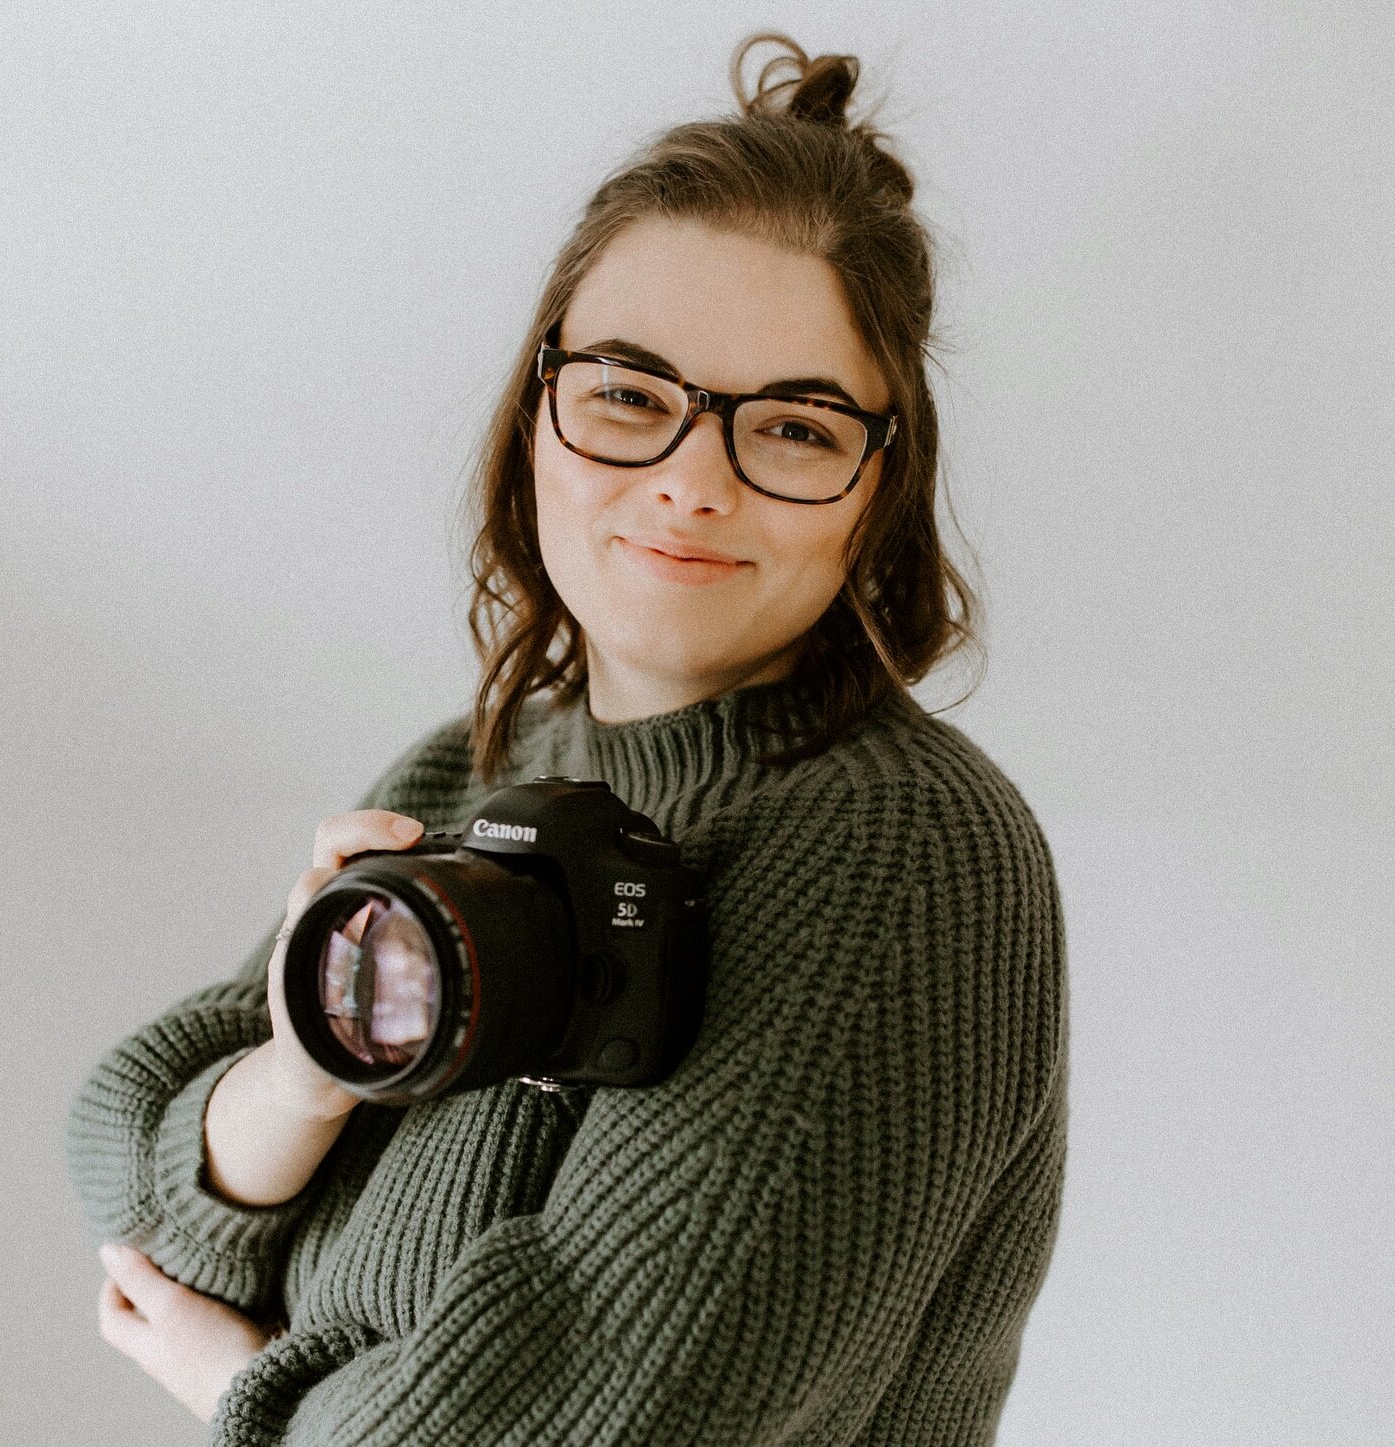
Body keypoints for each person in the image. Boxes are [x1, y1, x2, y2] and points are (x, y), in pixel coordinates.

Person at [67, 32, 1069, 1446]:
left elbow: (579, 1423)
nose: (691, 482)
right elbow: (130, 1168)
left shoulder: (898, 849)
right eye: (628, 394)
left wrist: (242, 1391)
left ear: (878, 485)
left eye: (789, 428)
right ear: (536, 414)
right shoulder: (464, 771)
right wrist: (301, 1075)